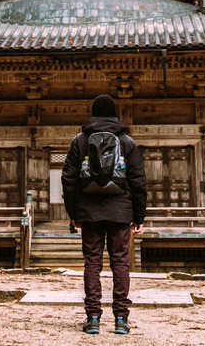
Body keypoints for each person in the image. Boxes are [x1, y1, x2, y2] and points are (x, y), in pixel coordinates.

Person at [61, 94, 147, 335]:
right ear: (114, 113)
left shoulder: (80, 140)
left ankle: (94, 318)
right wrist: (139, 216)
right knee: (120, 262)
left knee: (92, 263)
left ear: (93, 113)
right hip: (121, 211)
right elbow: (138, 181)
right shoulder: (127, 142)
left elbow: (68, 178)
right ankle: (121, 319)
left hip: (89, 211)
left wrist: (73, 213)